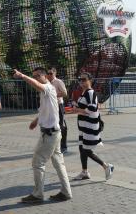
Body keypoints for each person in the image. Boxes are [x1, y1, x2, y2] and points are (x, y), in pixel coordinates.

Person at [14, 67, 72, 203]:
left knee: (38, 161)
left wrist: (22, 75)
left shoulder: (48, 88)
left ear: (43, 75)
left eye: (36, 76)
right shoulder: (47, 90)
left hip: (50, 134)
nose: (35, 78)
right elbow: (45, 110)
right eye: (33, 76)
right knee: (59, 163)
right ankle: (66, 192)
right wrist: (36, 121)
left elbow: (37, 85)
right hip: (54, 132)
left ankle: (38, 194)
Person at [73, 72, 114, 181]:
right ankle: (84, 172)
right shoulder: (84, 92)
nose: (81, 82)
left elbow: (92, 109)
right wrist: (76, 106)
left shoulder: (90, 92)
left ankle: (106, 166)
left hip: (89, 127)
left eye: (84, 79)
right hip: (83, 127)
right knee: (82, 148)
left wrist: (77, 110)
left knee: (87, 150)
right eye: (80, 80)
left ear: (90, 80)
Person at [47, 67, 68, 153]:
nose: (49, 75)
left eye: (51, 73)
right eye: (47, 73)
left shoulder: (58, 82)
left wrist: (53, 94)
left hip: (58, 105)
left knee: (60, 126)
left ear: (55, 73)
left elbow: (65, 93)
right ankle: (54, 146)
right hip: (50, 106)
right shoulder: (47, 83)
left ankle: (63, 146)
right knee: (50, 126)